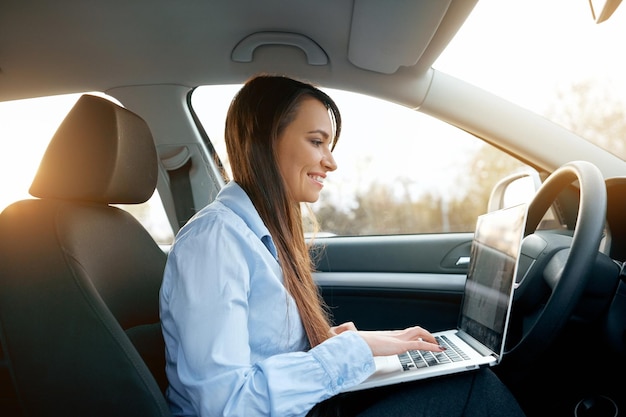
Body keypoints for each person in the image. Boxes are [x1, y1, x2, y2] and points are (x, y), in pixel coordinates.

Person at [159, 74, 526, 417]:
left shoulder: (259, 235)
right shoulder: (215, 240)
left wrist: (367, 342)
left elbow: (268, 355)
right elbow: (225, 405)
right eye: (317, 142)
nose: (331, 162)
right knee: (473, 389)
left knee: (456, 376)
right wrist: (352, 351)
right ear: (266, 141)